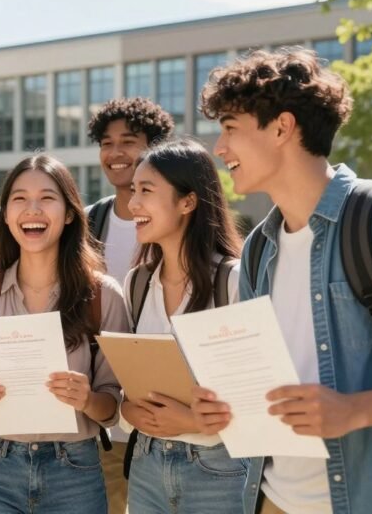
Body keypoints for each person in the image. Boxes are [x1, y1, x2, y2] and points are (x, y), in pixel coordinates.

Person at [192, 48, 372, 514]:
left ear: (281, 127)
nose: (219, 148)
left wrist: (355, 411)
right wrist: (223, 405)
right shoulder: (259, 247)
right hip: (272, 499)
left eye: (231, 128)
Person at [0, 154, 130, 513]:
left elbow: (114, 405)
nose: (32, 209)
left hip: (75, 470)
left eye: (47, 198)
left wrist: (86, 399)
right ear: (6, 214)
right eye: (19, 198)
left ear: (68, 213)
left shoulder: (103, 296)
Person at [120, 138, 246, 513]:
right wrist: (130, 411)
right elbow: (130, 391)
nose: (133, 204)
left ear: (188, 201)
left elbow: (261, 395)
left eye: (146, 190)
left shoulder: (234, 280)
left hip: (218, 470)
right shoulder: (137, 282)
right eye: (132, 190)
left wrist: (194, 420)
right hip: (146, 464)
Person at [86, 97, 175, 513]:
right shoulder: (85, 224)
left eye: (129, 141)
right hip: (103, 418)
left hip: (164, 414)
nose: (116, 153)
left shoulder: (178, 222)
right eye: (107, 143)